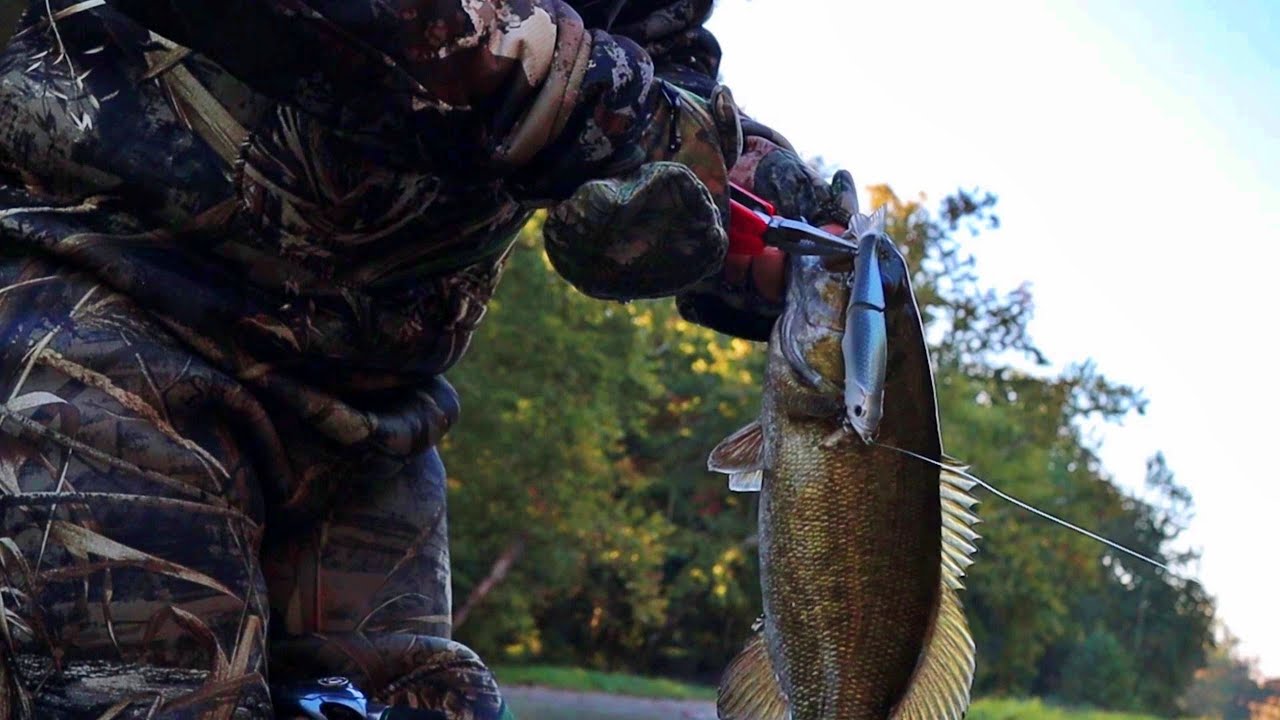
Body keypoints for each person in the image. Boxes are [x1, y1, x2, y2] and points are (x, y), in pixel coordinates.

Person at [0, 0, 854, 717]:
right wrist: (587, 98)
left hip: (378, 419)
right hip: (98, 324)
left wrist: (752, 191)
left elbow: (660, 64)